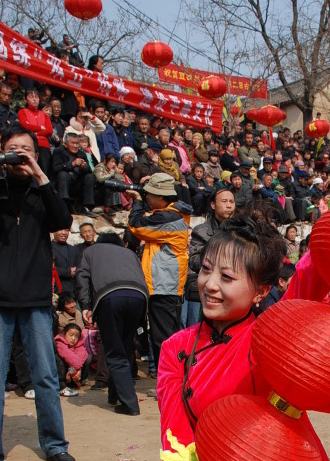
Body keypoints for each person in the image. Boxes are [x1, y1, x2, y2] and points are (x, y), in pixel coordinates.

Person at [157, 210, 330, 461]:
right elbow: (175, 438)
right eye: (205, 270)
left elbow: (311, 277)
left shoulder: (273, 337)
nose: (210, 285)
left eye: (228, 277)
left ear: (260, 291)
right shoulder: (175, 350)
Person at [0, 125, 75, 461]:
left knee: (46, 376)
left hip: (35, 300)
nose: (19, 154)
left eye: (25, 149)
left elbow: (62, 219)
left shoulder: (40, 191)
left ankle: (55, 443)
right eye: (12, 149)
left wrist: (39, 174)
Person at [75, 232, 149, 415]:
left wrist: (85, 305)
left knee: (114, 352)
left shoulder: (90, 251)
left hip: (110, 297)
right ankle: (114, 394)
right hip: (139, 296)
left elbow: (81, 276)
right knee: (125, 347)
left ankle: (130, 404)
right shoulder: (129, 253)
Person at [127, 173, 192, 371]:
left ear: (162, 198)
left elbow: (136, 226)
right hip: (167, 284)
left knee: (163, 338)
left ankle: (172, 379)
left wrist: (136, 202)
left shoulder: (167, 217)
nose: (146, 196)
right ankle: (177, 376)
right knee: (169, 335)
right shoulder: (174, 214)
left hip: (164, 286)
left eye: (149, 194)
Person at [183, 188, 236, 327]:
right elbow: (194, 261)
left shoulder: (239, 230)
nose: (229, 205)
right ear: (213, 205)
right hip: (208, 288)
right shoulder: (201, 231)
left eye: (232, 201)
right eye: (224, 201)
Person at [54, 323, 87, 392]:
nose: (73, 339)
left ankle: (78, 381)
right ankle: (61, 383)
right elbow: (68, 356)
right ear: (64, 334)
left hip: (73, 372)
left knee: (88, 358)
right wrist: (75, 369)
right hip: (63, 371)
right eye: (71, 335)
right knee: (59, 359)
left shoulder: (79, 344)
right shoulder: (60, 342)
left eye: (77, 336)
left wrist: (77, 370)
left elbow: (82, 355)